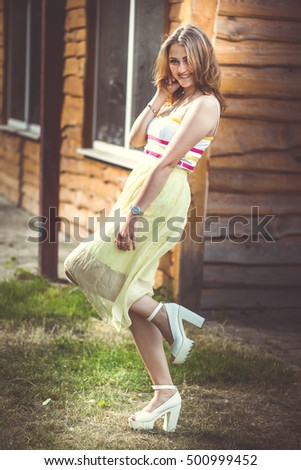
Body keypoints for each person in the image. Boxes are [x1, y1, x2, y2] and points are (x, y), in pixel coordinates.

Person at [64, 24, 226, 432]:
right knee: (132, 287)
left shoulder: (205, 104)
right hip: (142, 186)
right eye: (174, 60)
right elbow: (137, 138)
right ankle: (164, 393)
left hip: (160, 194)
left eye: (188, 59)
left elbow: (168, 162)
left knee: (81, 264)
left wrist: (134, 214)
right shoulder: (176, 99)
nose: (181, 67)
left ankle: (165, 316)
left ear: (203, 59)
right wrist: (158, 95)